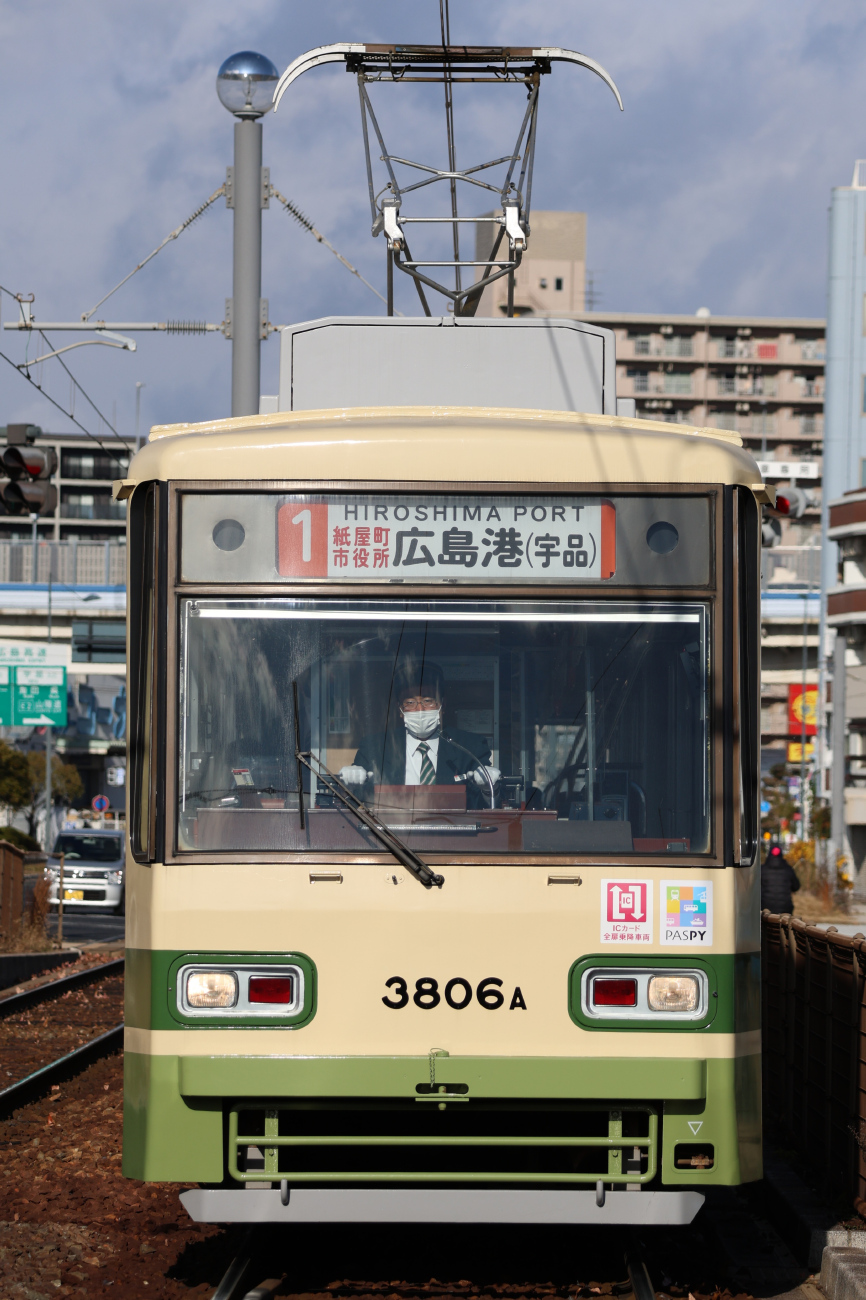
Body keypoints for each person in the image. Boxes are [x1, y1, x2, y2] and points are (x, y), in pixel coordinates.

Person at [338, 661, 500, 806]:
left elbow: (488, 808)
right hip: (389, 834)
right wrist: (350, 787)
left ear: (442, 705)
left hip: (452, 835)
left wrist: (488, 789)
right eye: (410, 702)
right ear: (400, 709)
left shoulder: (469, 747)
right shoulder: (375, 748)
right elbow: (357, 804)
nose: (420, 709)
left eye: (428, 701)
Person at [761, 843, 801, 914]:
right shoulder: (788, 869)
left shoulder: (762, 869)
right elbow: (796, 886)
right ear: (781, 855)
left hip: (766, 907)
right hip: (785, 908)